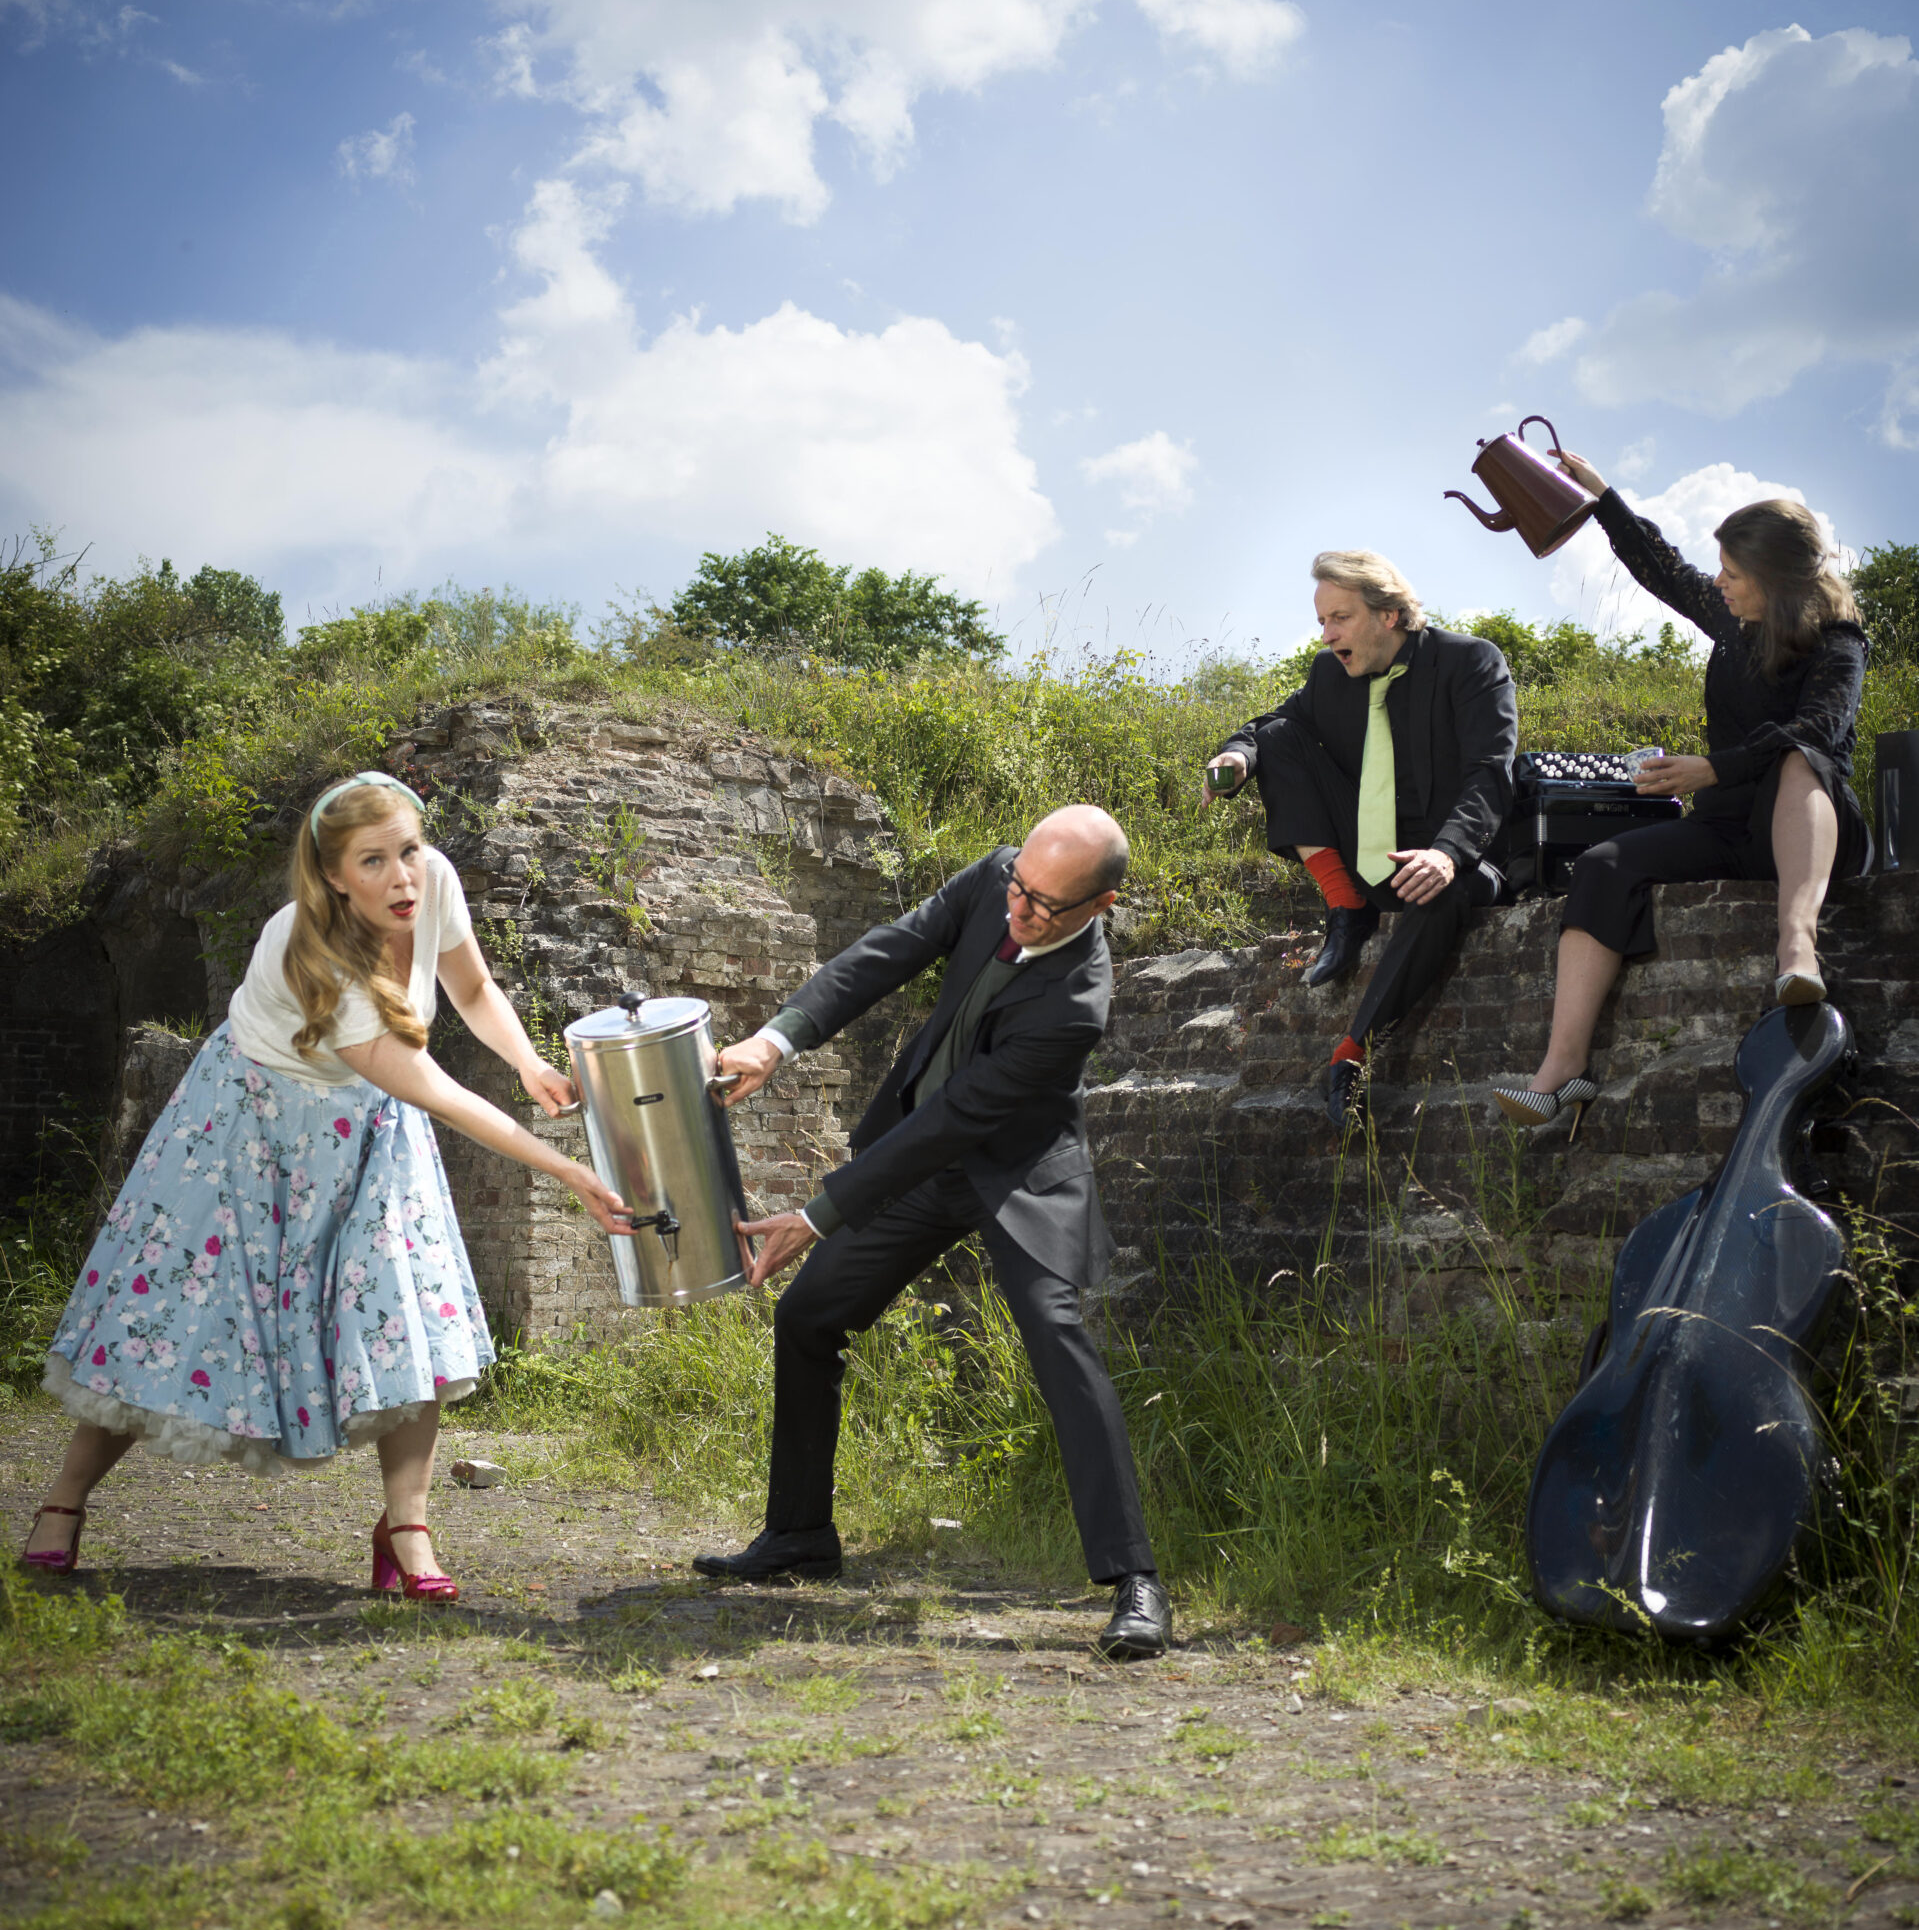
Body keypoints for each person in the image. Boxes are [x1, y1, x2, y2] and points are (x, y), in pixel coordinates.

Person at [24, 772, 631, 1598]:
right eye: (373, 861)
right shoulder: (309, 951)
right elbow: (436, 1091)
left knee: (410, 1311)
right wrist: (565, 1169)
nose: (402, 876)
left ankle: (407, 1528)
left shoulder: (432, 882)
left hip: (370, 1127)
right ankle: (63, 1502)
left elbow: (473, 987)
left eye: (409, 851)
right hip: (247, 1132)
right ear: (335, 874)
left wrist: (526, 1063)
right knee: (166, 1310)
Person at [698, 805, 1172, 1662]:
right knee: (809, 1318)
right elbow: (887, 952)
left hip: (1017, 1174)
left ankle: (1133, 1579)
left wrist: (815, 1215)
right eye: (1019, 887)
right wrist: (779, 1039)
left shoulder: (1075, 1004)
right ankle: (799, 1534)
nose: (1019, 910)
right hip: (926, 1163)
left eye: (1045, 906)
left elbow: (954, 1120)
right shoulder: (1001, 875)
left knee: (1059, 1342)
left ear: (1098, 907)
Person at [1491, 452, 1870, 1130]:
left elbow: (1817, 728)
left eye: (1732, 573)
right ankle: (1562, 1070)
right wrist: (1601, 496)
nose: (1717, 582)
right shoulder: (1731, 623)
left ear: (1776, 582)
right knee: (1605, 864)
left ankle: (1797, 946)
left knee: (1798, 758)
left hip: (1805, 828)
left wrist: (1714, 767)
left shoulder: (1838, 644)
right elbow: (1658, 566)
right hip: (1725, 827)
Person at [1207, 550, 1518, 1125]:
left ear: (1388, 615)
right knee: (1278, 736)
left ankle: (1351, 1056)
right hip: (1367, 853)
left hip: (1457, 858)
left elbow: (1490, 774)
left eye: (1339, 619)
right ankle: (1346, 907)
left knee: (1439, 890)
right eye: (1322, 621)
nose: (1326, 636)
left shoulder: (1471, 662)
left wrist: (1447, 853)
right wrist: (1237, 754)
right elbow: (1272, 725)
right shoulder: (1330, 675)